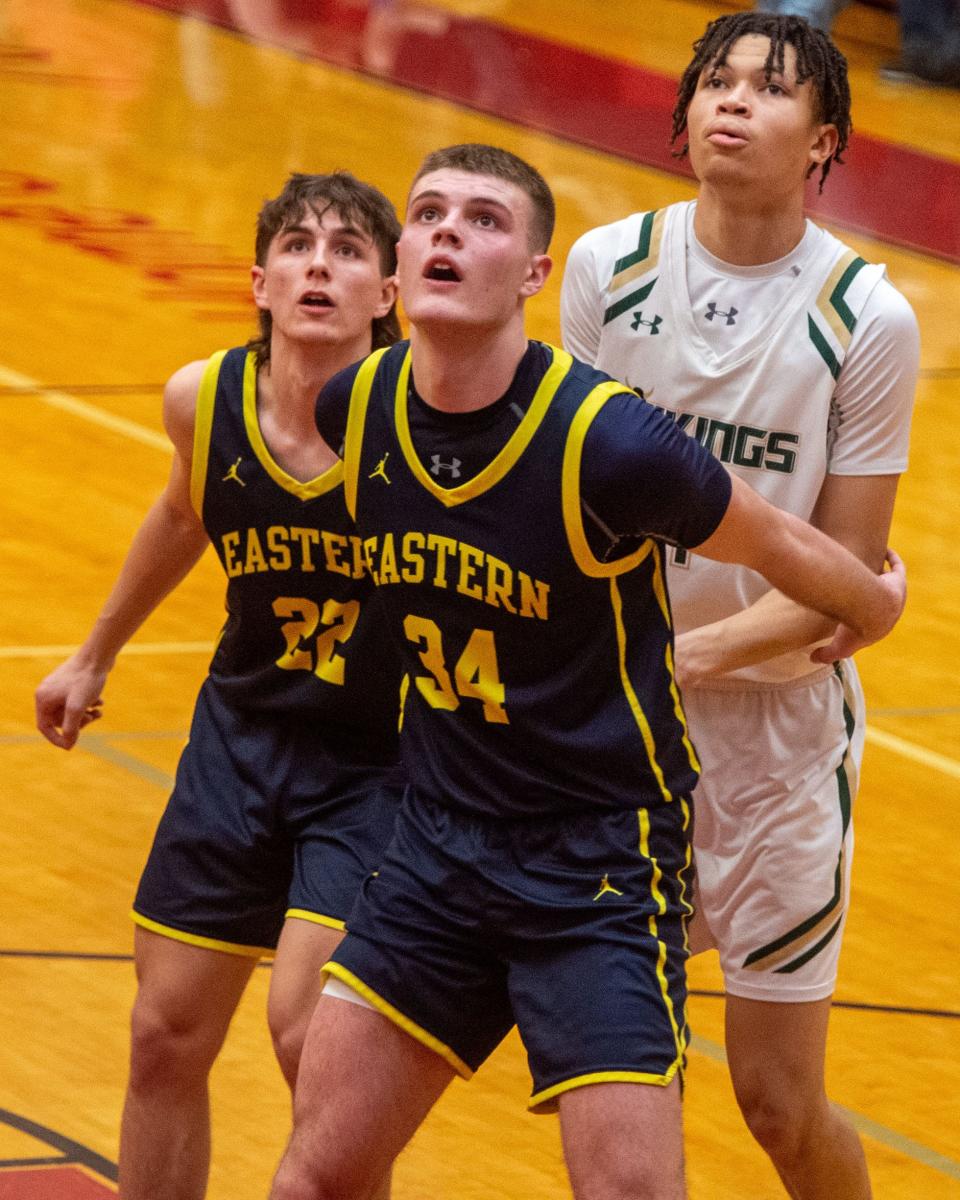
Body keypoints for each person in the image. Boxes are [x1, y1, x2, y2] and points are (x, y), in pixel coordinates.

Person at [266, 142, 905, 1200]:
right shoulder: (359, 407)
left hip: (595, 865)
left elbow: (777, 542)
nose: (446, 232)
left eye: (482, 219)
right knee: (313, 1178)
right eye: (427, 213)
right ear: (398, 266)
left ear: (534, 273)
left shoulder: (612, 442)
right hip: (437, 844)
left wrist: (872, 601)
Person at [561, 13, 918, 1199]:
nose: (732, 101)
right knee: (622, 1069)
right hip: (620, 744)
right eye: (716, 80)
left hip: (775, 754)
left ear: (824, 139)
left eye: (769, 89)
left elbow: (844, 592)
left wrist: (667, 659)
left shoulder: (866, 318)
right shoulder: (606, 269)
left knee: (775, 1101)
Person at [34, 172, 405, 1200]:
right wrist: (95, 652)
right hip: (243, 738)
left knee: (312, 1040)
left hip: (382, 763)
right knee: (163, 1033)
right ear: (259, 279)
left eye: (346, 249)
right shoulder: (206, 398)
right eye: (296, 245)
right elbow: (183, 515)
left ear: (389, 291)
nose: (318, 264)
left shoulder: (429, 420)